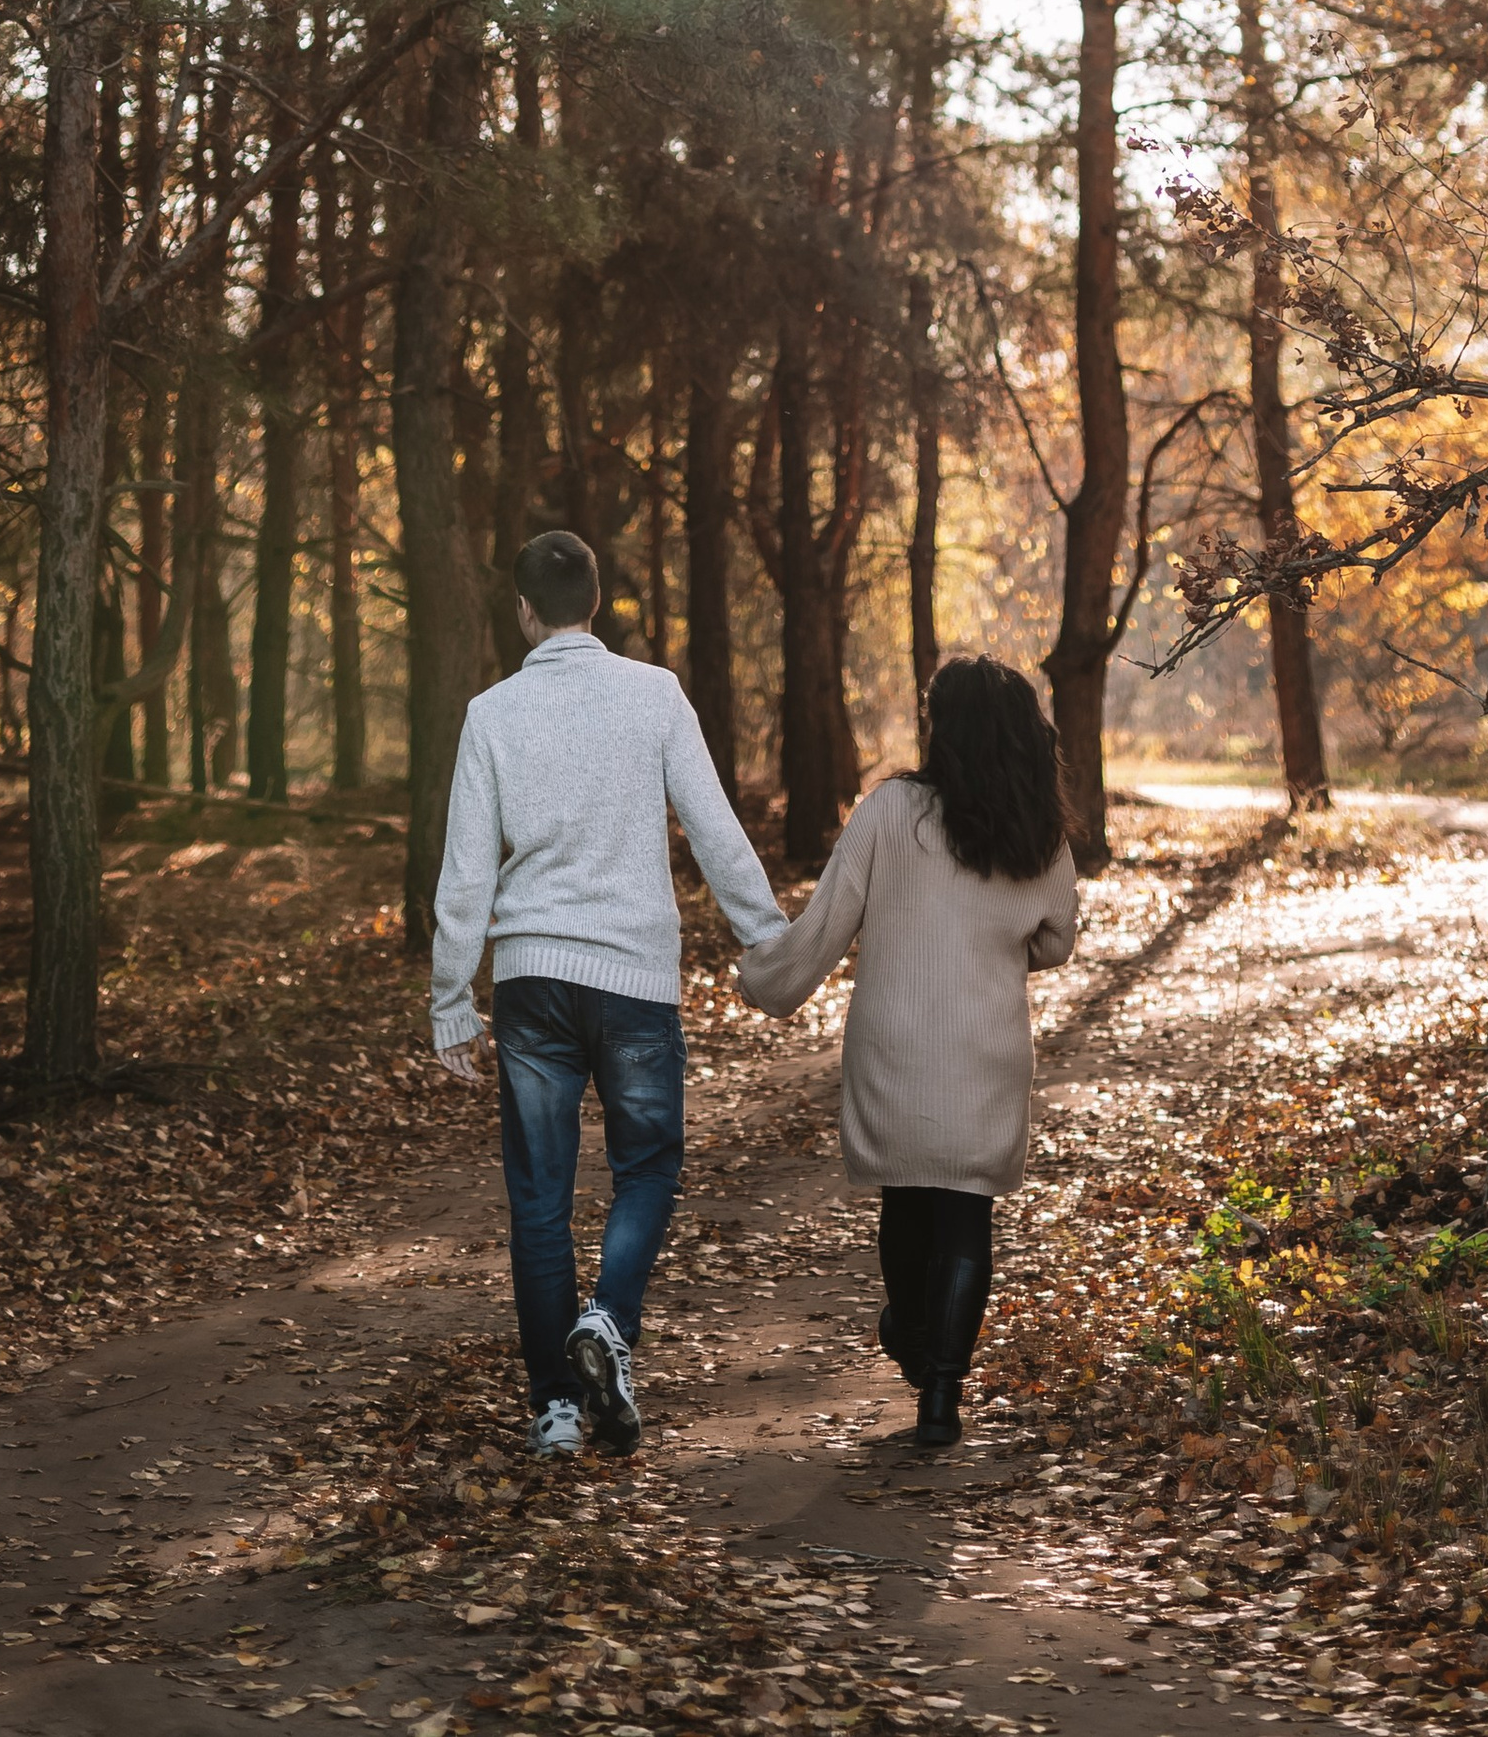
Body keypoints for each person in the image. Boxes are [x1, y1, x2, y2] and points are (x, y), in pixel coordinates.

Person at [430, 528, 787, 1460]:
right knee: (649, 1168)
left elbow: (466, 872)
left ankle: (555, 1409)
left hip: (531, 982)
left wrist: (449, 998)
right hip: (634, 982)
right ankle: (608, 1321)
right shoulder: (655, 694)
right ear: (596, 602)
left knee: (539, 1199)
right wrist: (770, 938)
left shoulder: (490, 713)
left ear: (523, 612)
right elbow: (714, 827)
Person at [735, 655, 1080, 1452]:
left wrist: (766, 979)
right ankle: (943, 1395)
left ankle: (916, 1342)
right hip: (986, 1047)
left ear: (942, 729)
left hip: (895, 1042)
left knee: (906, 1201)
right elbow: (1056, 942)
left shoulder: (889, 811)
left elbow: (826, 923)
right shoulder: (1037, 830)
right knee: (966, 1213)